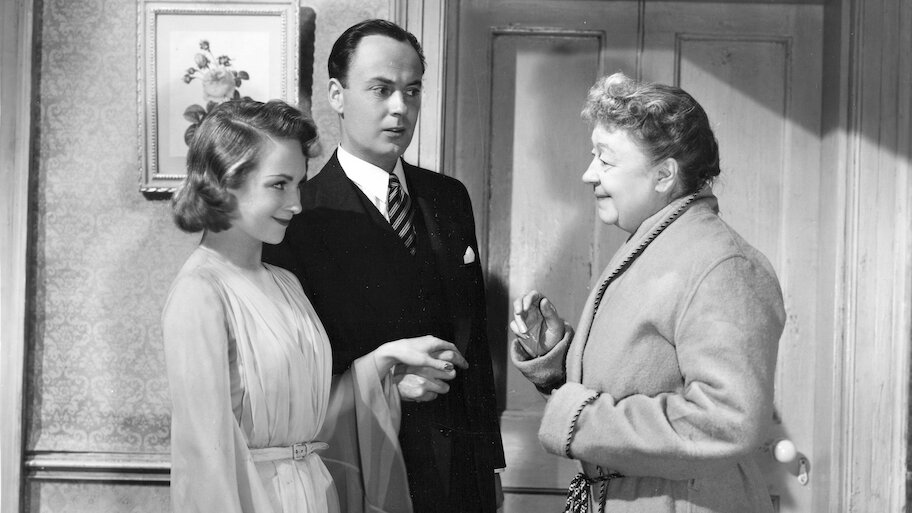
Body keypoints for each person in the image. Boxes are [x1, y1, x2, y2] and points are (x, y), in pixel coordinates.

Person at [162, 98, 464, 513]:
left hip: (316, 496)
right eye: (279, 185)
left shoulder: (286, 284)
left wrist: (384, 362)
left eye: (299, 184)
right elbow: (204, 462)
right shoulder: (201, 292)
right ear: (225, 182)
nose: (297, 203)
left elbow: (313, 418)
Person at [509, 73, 785, 513]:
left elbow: (729, 421)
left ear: (663, 175)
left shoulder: (724, 265)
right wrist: (557, 366)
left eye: (606, 160)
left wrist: (579, 419)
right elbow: (639, 383)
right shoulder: (655, 246)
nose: (588, 174)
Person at [262, 19, 505, 513]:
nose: (400, 108)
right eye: (381, 89)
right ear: (337, 94)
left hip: (460, 471)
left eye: (412, 91)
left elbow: (475, 342)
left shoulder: (449, 198)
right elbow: (290, 377)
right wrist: (388, 383)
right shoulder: (299, 216)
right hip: (362, 465)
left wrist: (490, 469)